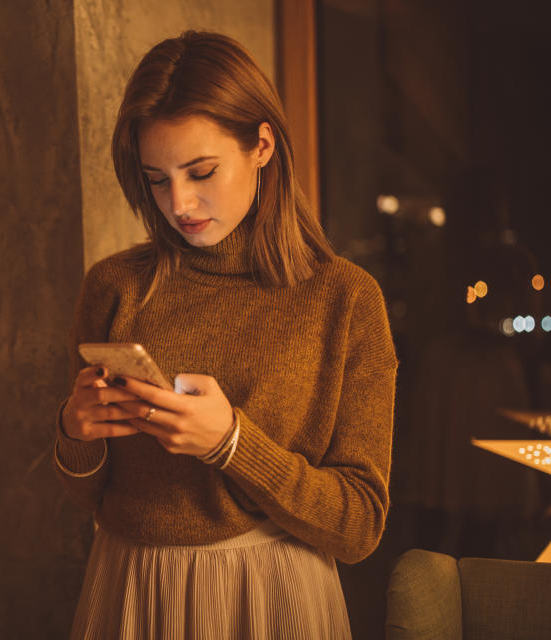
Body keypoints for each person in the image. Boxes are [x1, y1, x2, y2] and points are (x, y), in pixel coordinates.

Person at [53, 31, 398, 639]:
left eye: (201, 170)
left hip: (271, 595)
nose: (180, 202)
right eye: (156, 178)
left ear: (262, 144)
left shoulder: (343, 299)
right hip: (132, 586)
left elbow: (359, 527)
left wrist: (233, 444)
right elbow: (87, 496)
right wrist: (76, 432)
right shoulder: (113, 286)